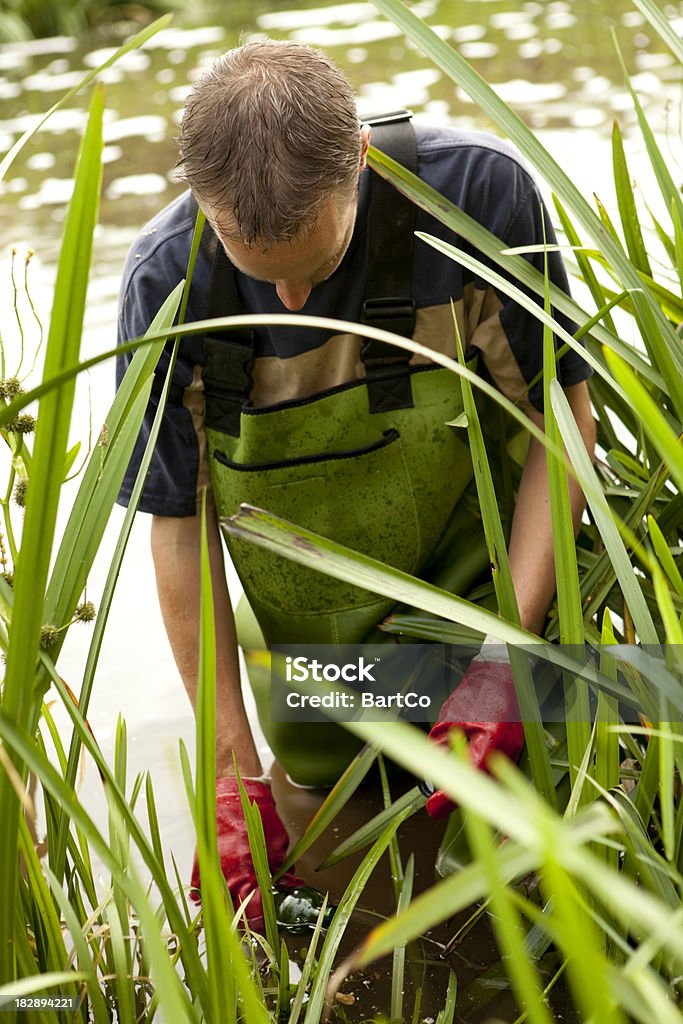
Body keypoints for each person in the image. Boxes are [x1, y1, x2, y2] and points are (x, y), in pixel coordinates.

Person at [116, 40, 596, 927]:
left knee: (535, 897)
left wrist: (506, 657)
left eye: (316, 261)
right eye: (260, 270)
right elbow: (178, 528)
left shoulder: (476, 198)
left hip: (495, 594)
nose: (292, 299)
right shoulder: (163, 280)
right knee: (346, 911)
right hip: (314, 661)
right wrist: (231, 772)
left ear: (362, 164)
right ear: (200, 201)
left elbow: (561, 429)